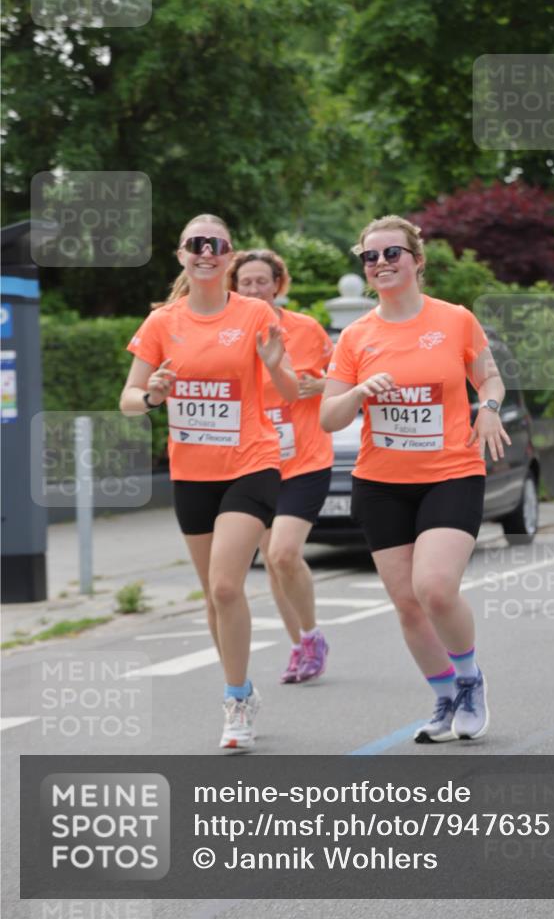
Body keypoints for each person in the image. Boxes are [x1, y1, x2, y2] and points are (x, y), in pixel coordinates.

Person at [321, 214, 510, 742]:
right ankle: (445, 695)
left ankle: (471, 680)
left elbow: (488, 373)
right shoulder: (356, 336)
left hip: (450, 471)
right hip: (381, 482)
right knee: (406, 602)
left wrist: (488, 405)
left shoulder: (454, 320)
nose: (380, 263)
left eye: (391, 254)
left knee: (435, 588)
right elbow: (328, 417)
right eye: (369, 257)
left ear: (416, 261)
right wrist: (359, 394)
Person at [120, 214, 298, 752]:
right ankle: (242, 685)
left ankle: (235, 699)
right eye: (195, 244)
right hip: (192, 472)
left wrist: (274, 365)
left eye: (216, 244)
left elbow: (288, 391)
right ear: (180, 255)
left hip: (252, 461)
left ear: (230, 256)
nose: (205, 251)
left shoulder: (253, 314)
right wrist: (152, 393)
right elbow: (128, 400)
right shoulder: (161, 323)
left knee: (226, 584)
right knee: (213, 594)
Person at [226, 249, 333, 684]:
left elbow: (347, 378)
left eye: (261, 282)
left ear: (277, 285)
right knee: (273, 561)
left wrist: (319, 385)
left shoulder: (305, 329)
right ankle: (299, 645)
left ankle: (312, 634)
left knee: (283, 552)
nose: (253, 289)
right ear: (234, 288)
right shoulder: (229, 334)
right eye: (245, 283)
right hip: (256, 461)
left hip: (305, 458)